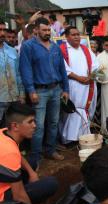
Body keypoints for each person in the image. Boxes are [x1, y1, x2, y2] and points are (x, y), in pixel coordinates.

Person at [20, 17, 69, 170]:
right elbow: (25, 69)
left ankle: (50, 150)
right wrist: (31, 90)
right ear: (36, 30)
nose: (47, 32)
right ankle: (36, 157)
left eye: (49, 30)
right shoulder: (28, 46)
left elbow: (62, 69)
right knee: (39, 126)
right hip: (39, 91)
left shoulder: (55, 47)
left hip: (56, 89)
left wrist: (65, 89)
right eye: (44, 30)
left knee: (54, 122)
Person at [0, 103, 58, 204]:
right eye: (30, 122)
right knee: (51, 184)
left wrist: (32, 173)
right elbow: (19, 196)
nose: (34, 125)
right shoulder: (9, 152)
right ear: (15, 126)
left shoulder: (4, 132)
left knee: (32, 162)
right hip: (2, 198)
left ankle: (21, 183)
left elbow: (17, 155)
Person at [59, 26, 99, 144]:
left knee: (84, 109)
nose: (77, 37)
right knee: (72, 110)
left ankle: (83, 137)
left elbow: (95, 64)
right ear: (66, 37)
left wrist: (91, 76)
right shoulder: (61, 49)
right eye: (73, 35)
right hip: (72, 85)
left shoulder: (85, 49)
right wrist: (78, 78)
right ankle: (69, 139)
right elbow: (63, 68)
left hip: (87, 84)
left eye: (78, 34)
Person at [0, 21, 25, 124]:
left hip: (14, 98)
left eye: (4, 30)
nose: (2, 33)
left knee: (13, 130)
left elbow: (18, 74)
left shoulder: (12, 51)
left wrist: (22, 94)